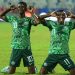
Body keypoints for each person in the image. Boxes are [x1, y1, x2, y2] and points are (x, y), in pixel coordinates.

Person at [0, 1, 39, 74]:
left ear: (25, 8)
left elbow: (37, 22)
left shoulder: (29, 19)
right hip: (16, 47)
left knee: (32, 72)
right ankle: (8, 68)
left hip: (26, 48)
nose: (20, 8)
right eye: (19, 6)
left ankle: (34, 68)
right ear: (17, 8)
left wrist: (31, 13)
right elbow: (0, 16)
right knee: (11, 72)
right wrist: (8, 9)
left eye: (22, 6)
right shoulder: (13, 18)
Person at [38, 9, 75, 75]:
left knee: (73, 72)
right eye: (58, 15)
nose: (61, 16)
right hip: (52, 54)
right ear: (55, 16)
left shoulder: (69, 25)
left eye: (63, 15)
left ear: (66, 16)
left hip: (64, 54)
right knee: (42, 73)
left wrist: (73, 16)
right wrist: (49, 14)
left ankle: (51, 70)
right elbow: (39, 18)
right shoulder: (51, 24)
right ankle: (51, 70)